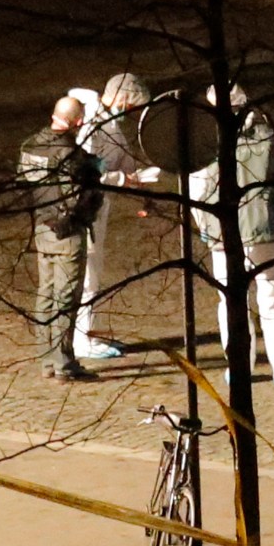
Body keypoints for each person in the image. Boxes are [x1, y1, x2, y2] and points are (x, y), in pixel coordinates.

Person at [187, 84, 274, 385]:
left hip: (225, 234)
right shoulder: (268, 135)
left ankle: (240, 367)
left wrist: (205, 226)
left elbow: (197, 190)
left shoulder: (206, 143)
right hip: (269, 231)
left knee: (231, 303)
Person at [68, 73, 159, 361]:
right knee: (87, 273)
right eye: (131, 108)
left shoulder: (110, 125)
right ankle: (82, 339)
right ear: (121, 100)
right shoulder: (92, 126)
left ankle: (86, 333)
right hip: (85, 207)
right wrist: (126, 179)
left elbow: (123, 155)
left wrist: (142, 188)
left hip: (98, 205)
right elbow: (85, 173)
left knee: (93, 270)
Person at [17, 96, 102, 382]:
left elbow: (25, 183)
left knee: (46, 294)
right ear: (77, 121)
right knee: (66, 299)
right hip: (67, 233)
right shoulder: (73, 156)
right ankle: (64, 363)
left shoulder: (30, 145)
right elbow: (86, 196)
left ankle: (47, 360)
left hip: (42, 228)